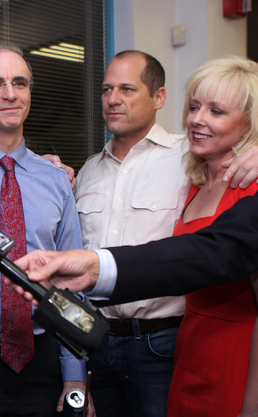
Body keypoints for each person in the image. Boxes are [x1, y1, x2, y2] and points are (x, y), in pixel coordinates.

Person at [0, 43, 93, 417]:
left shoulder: (56, 180)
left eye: (19, 83)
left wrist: (75, 376)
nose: (10, 93)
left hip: (46, 361)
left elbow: (71, 286)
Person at [74, 50, 186, 417]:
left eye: (126, 89)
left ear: (159, 97)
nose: (112, 99)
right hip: (97, 341)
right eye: (106, 89)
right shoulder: (89, 170)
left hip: (160, 344)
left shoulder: (189, 158)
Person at [165, 57, 258, 417]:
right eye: (194, 107)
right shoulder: (196, 181)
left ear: (248, 123)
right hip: (191, 348)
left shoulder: (250, 192)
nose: (197, 119)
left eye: (216, 111)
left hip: (239, 360)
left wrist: (251, 406)